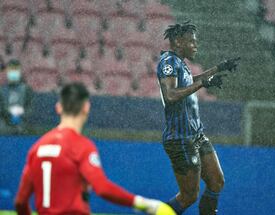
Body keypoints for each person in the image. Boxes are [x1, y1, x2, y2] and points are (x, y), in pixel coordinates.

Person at [15, 82, 175, 215]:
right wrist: (145, 204)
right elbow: (102, 188)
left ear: (58, 107)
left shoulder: (37, 148)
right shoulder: (81, 146)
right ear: (86, 107)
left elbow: (20, 202)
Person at [157, 20, 240, 215]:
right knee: (188, 197)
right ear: (178, 42)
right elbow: (170, 96)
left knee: (216, 181)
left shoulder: (180, 63)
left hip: (196, 135)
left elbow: (191, 82)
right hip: (180, 139)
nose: (196, 45)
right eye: (192, 41)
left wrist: (218, 68)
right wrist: (204, 83)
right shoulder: (168, 62)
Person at [0, 59, 33, 134]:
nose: (13, 72)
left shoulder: (27, 89)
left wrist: (21, 116)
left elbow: (30, 108)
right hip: (4, 126)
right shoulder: (1, 90)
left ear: (20, 71)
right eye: (11, 69)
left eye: (16, 69)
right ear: (7, 71)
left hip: (22, 125)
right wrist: (9, 117)